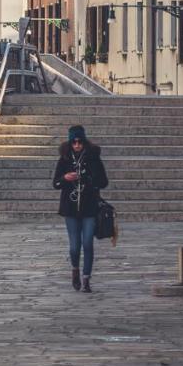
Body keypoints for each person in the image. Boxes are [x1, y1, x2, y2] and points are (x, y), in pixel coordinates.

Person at [53, 124, 109, 293]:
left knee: (87, 243)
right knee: (74, 246)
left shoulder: (93, 158)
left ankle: (86, 279)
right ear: (70, 143)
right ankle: (75, 269)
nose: (77, 145)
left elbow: (104, 182)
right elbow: (55, 183)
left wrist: (89, 179)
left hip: (89, 207)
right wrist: (65, 177)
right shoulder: (64, 159)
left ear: (84, 142)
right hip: (70, 208)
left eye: (80, 142)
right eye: (74, 142)